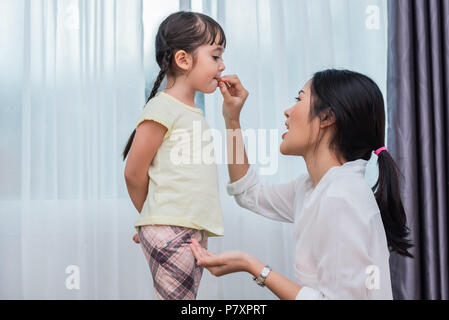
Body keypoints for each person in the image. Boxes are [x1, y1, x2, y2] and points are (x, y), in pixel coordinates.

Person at [190, 70, 414, 300]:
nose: (287, 111)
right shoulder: (313, 187)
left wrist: (254, 267)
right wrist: (232, 119)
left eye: (299, 99)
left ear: (327, 117)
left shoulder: (341, 197)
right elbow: (248, 192)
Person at [123, 11, 227, 300]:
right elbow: (133, 172)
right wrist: (154, 218)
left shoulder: (191, 112)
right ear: (183, 60)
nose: (223, 65)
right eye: (216, 56)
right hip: (172, 231)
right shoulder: (163, 107)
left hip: (185, 231)